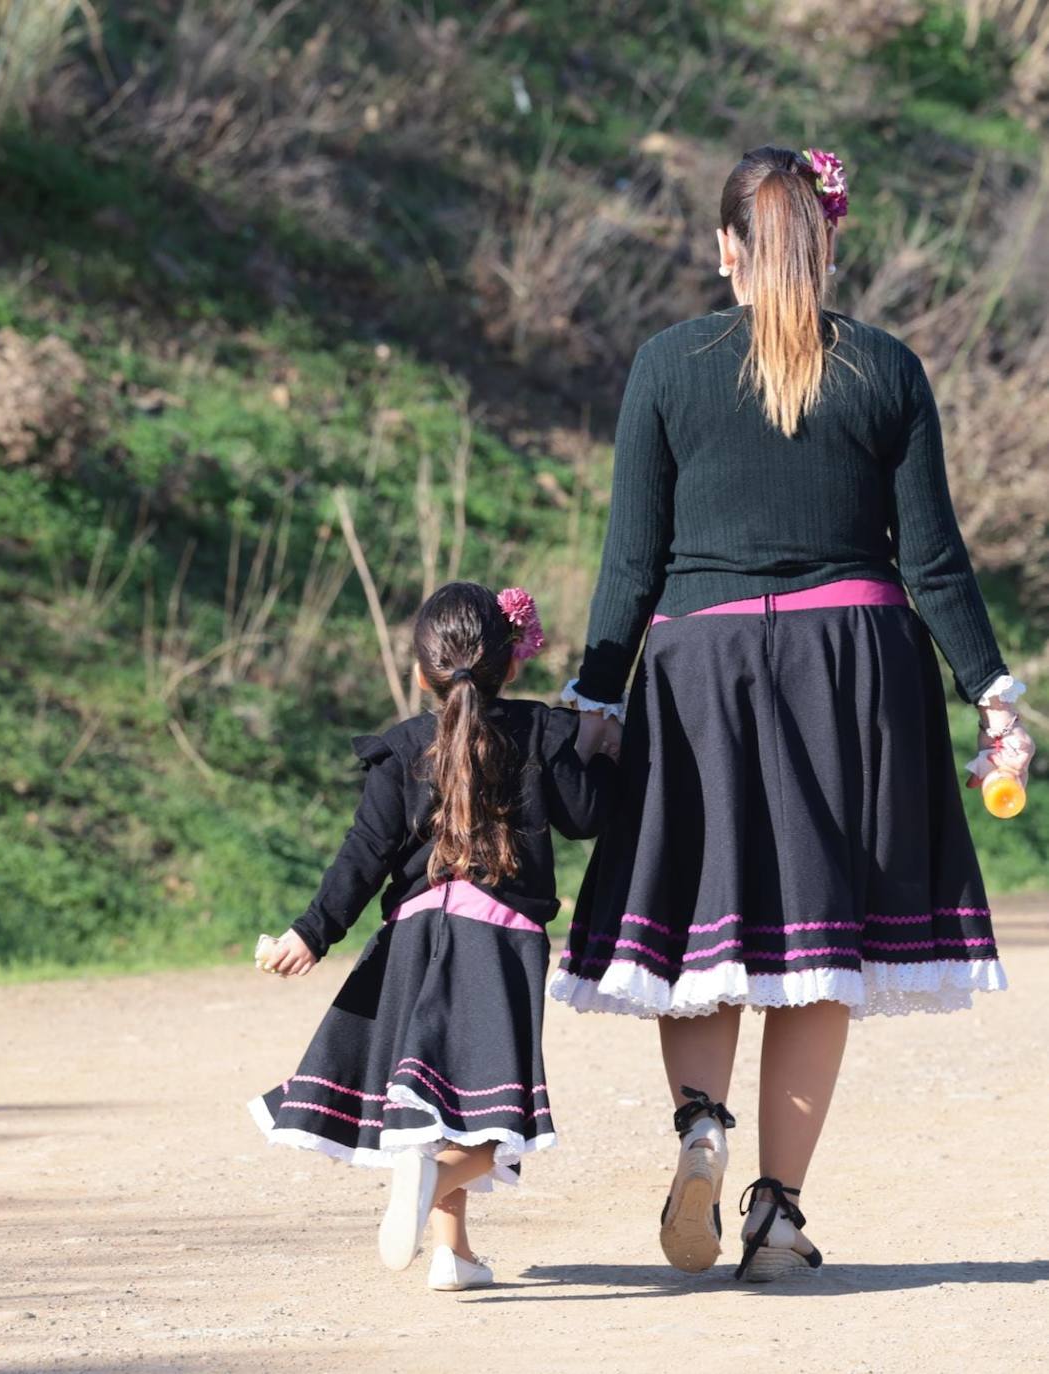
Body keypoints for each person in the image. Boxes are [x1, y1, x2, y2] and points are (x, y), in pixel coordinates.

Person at [552, 145, 1035, 1282]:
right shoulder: (887, 367)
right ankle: (777, 1216)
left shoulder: (667, 365)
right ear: (831, 243)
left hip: (697, 667)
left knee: (699, 933)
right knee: (823, 955)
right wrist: (995, 696)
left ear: (727, 248)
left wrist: (591, 697)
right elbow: (936, 564)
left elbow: (631, 564)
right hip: (850, 669)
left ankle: (699, 1128)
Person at [249, 581, 616, 1291]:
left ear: (422, 672)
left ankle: (455, 1253)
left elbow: (363, 854)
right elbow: (588, 814)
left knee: (443, 1101)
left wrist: (310, 931)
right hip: (498, 945)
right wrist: (601, 750)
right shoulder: (542, 733)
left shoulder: (404, 748)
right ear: (511, 663)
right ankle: (431, 1186)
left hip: (412, 940)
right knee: (490, 1121)